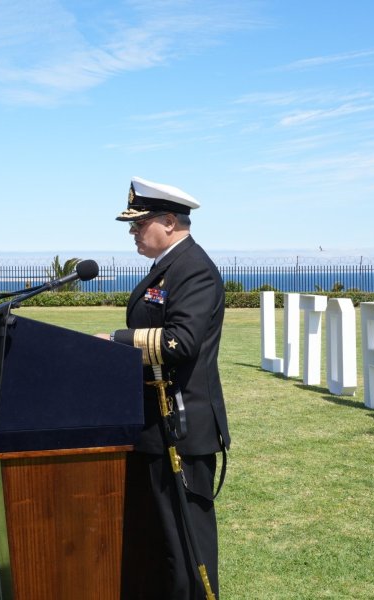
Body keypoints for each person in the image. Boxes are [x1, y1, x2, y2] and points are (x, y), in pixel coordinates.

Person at [97, 177, 230, 599]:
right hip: (153, 423)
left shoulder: (194, 269)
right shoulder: (167, 268)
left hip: (181, 428)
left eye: (139, 224)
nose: (133, 232)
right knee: (155, 543)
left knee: (184, 548)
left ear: (169, 222)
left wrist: (116, 341)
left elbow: (180, 342)